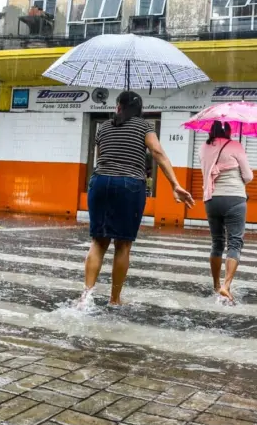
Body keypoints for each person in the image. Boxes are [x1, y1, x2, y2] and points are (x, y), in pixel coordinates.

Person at [81, 91, 194, 306]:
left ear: (118, 107)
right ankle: (114, 299)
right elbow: (157, 152)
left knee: (98, 241)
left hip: (101, 182)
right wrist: (174, 184)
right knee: (123, 245)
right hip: (129, 185)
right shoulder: (145, 126)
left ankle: (86, 297)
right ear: (140, 109)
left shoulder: (104, 127)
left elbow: (100, 158)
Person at [199, 121, 253, 302]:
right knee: (235, 242)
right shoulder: (235, 145)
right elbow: (248, 176)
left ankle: (215, 285)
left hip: (212, 199)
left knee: (217, 242)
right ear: (228, 130)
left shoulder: (203, 148)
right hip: (234, 198)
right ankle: (226, 285)